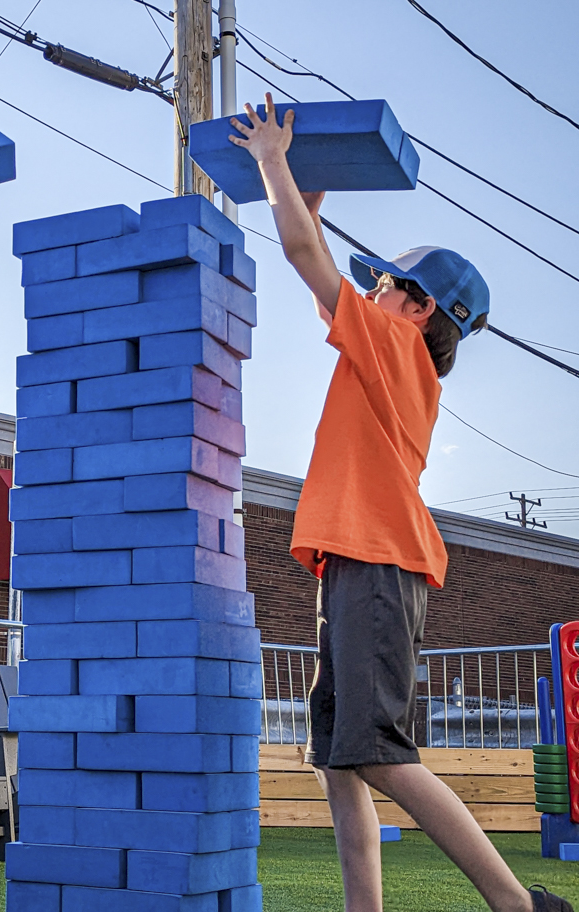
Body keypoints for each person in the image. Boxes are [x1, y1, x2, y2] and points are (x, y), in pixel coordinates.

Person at [229, 94, 572, 912]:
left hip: (379, 562)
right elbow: (310, 263)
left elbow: (304, 259)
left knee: (380, 751)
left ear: (419, 309)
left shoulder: (395, 348)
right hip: (357, 562)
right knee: (338, 759)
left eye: (383, 283)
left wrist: (274, 160)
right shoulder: (384, 351)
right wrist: (306, 197)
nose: (369, 289)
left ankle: (522, 907)